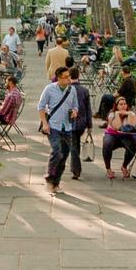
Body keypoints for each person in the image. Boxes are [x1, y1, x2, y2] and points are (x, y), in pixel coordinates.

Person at [39, 66, 78, 196]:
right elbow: (41, 107)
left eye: (69, 77)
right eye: (66, 77)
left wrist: (75, 112)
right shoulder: (49, 89)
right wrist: (45, 123)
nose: (69, 79)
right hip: (53, 126)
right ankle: (49, 175)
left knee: (64, 155)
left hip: (67, 127)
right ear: (59, 78)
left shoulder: (72, 90)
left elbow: (75, 106)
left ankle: (56, 183)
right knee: (56, 150)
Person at [102, 96, 136, 178]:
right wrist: (117, 114)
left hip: (126, 137)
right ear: (116, 106)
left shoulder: (131, 114)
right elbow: (118, 127)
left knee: (134, 142)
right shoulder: (112, 114)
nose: (123, 106)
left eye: (124, 104)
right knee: (107, 143)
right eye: (121, 104)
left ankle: (124, 166)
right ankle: (108, 168)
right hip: (113, 135)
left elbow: (131, 128)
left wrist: (128, 114)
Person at [67, 66, 93, 180]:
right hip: (82, 122)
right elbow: (88, 109)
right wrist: (90, 125)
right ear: (79, 76)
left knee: (73, 146)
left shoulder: (66, 90)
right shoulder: (84, 90)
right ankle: (75, 167)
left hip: (70, 121)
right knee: (75, 143)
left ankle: (76, 170)